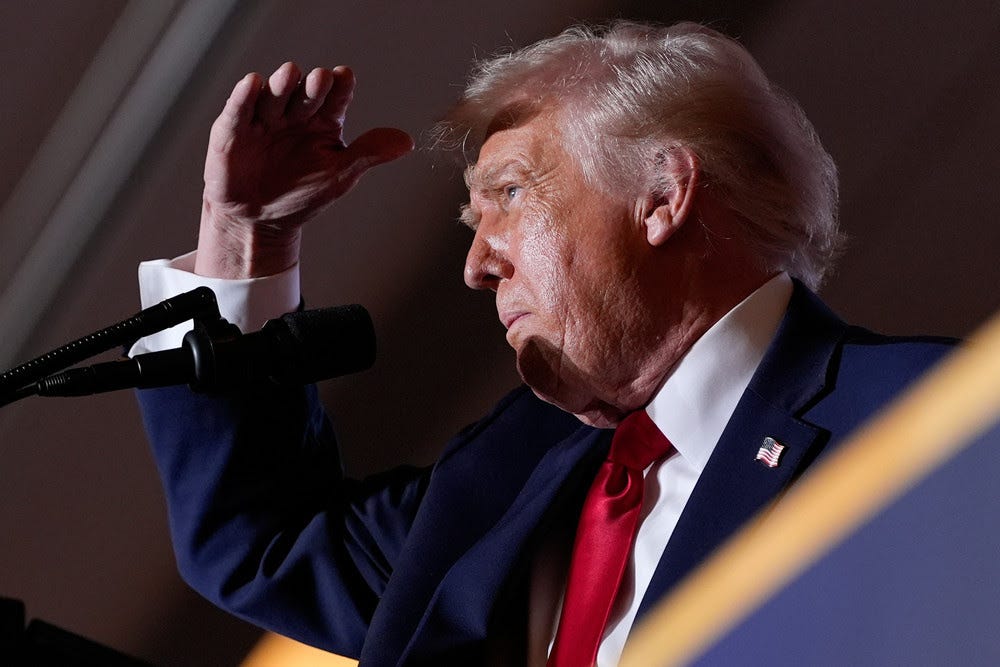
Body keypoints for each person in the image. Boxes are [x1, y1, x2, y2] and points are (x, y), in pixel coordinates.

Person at [134, 21, 955, 666]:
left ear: (663, 195)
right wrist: (244, 239)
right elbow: (264, 539)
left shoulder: (929, 421)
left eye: (511, 194)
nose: (475, 265)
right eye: (472, 220)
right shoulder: (505, 476)